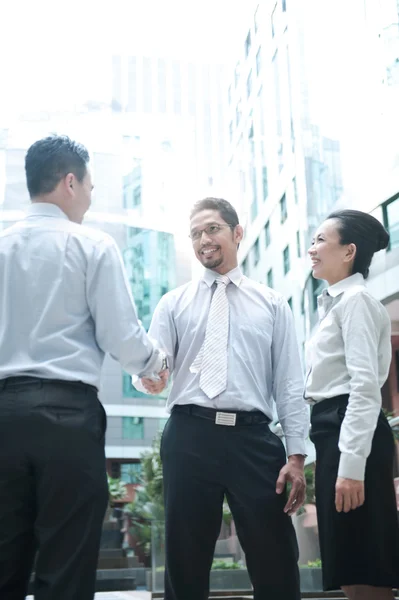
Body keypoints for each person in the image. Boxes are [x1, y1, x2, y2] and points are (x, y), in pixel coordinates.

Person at [0, 135, 167, 600]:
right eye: (90, 186)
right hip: (66, 417)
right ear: (70, 182)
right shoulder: (92, 245)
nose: (91, 198)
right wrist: (154, 365)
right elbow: (120, 334)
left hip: (3, 415)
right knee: (67, 562)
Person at [135, 197, 309, 600]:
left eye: (212, 228)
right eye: (195, 233)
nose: (203, 240)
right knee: (185, 556)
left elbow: (289, 383)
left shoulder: (272, 303)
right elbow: (154, 361)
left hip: (254, 440)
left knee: (275, 553)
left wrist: (297, 455)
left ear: (236, 233)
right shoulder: (173, 303)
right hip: (189, 435)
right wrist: (149, 378)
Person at [305, 209, 399, 600]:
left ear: (349, 252)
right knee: (351, 568)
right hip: (334, 435)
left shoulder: (356, 302)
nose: (311, 249)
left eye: (321, 240)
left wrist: (351, 467)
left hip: (351, 435)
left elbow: (363, 388)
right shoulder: (335, 304)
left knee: (368, 569)